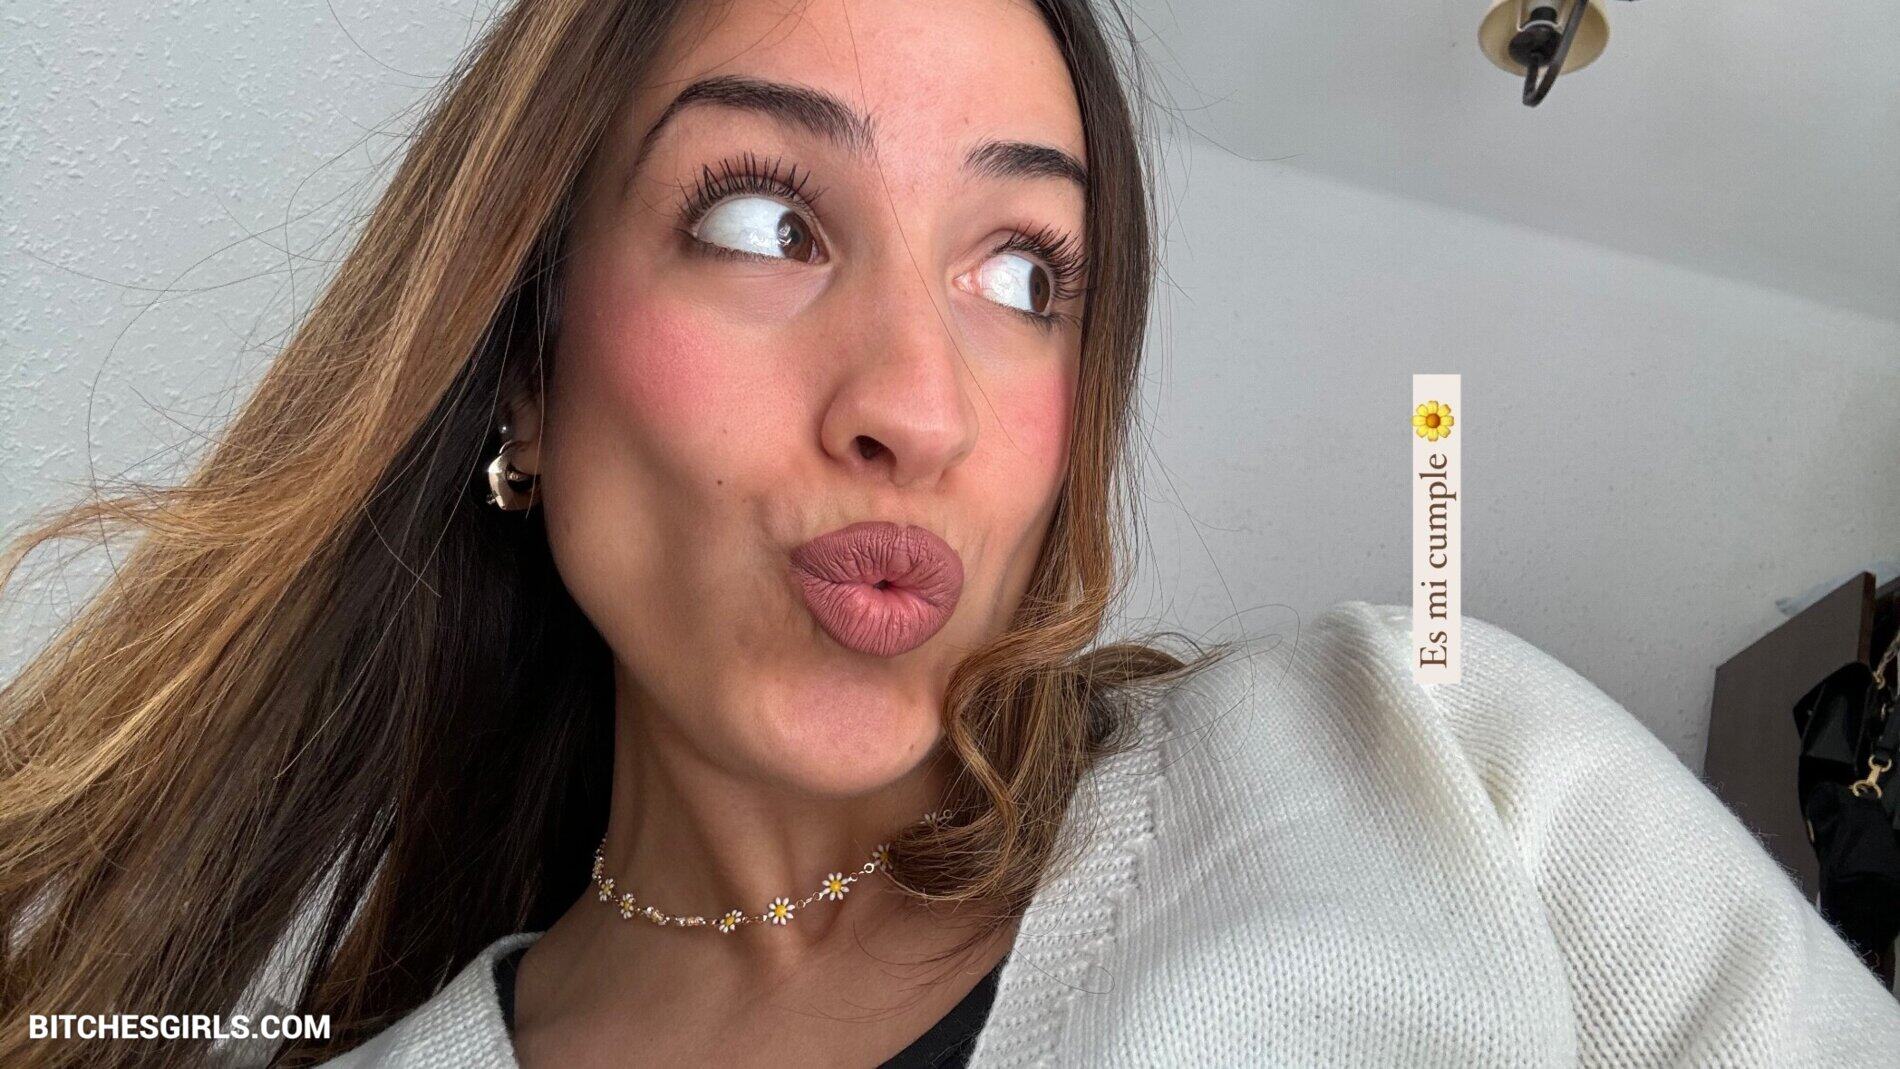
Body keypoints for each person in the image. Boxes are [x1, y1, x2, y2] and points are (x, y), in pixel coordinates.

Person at [0, 1, 1894, 1067]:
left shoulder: (1428, 767)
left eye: (1022, 271)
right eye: (766, 221)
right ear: (526, 378)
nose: (918, 400)